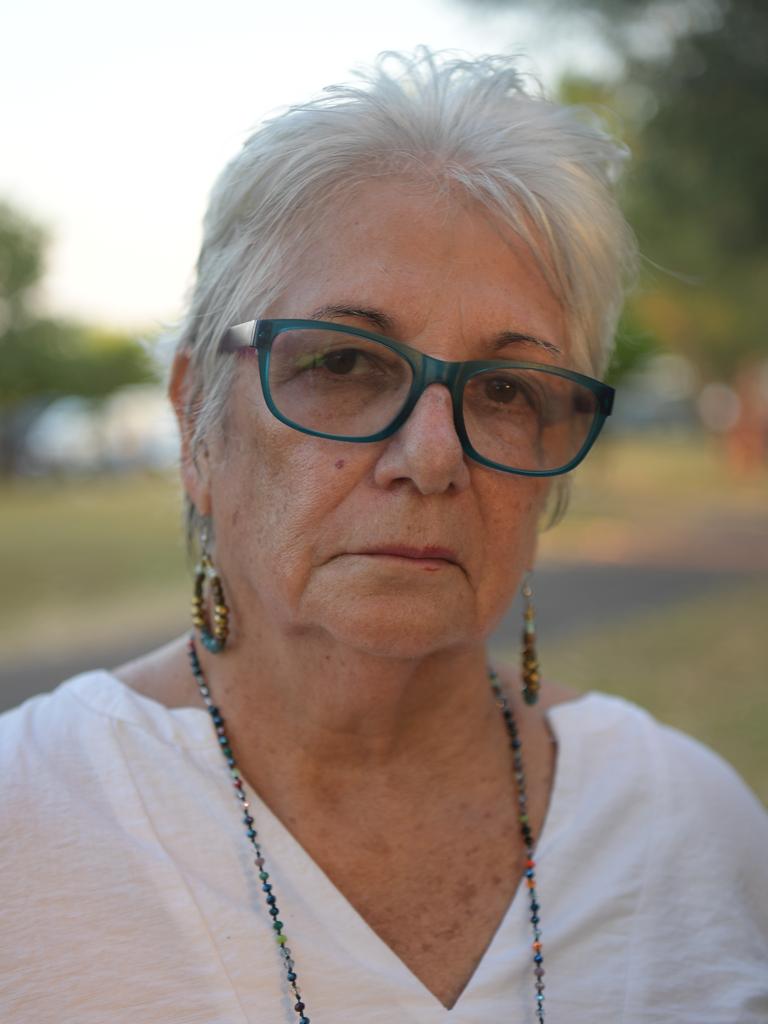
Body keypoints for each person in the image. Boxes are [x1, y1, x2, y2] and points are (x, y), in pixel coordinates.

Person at [1, 50, 766, 1024]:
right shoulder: (24, 822)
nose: (433, 455)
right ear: (199, 420)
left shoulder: (691, 830)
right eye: (346, 361)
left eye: (504, 389)